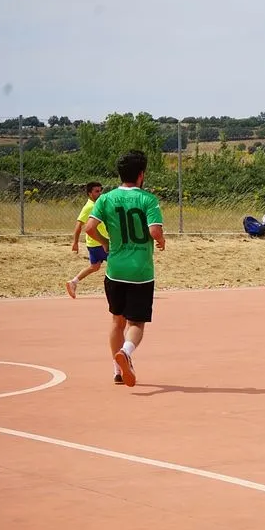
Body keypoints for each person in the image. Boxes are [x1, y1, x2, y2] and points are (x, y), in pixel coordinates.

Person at [85, 150, 166, 386]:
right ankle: (127, 352)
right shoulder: (148, 200)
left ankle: (117, 370)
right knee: (136, 323)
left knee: (116, 321)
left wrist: (105, 242)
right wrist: (160, 241)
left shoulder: (105, 199)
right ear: (141, 175)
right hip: (140, 272)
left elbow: (90, 228)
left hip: (115, 270)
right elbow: (154, 231)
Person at [66, 181, 109, 298]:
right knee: (116, 263)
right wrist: (75, 242)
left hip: (94, 243)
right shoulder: (90, 207)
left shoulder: (98, 205)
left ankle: (73, 282)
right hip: (99, 243)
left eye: (100, 191)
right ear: (90, 193)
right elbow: (79, 225)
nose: (100, 193)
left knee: (94, 267)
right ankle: (115, 289)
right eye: (96, 191)